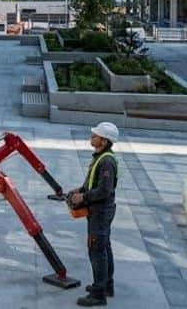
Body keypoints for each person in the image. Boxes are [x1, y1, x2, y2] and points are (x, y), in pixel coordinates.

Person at [68, 121, 120, 306]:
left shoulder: (106, 161)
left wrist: (83, 196)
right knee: (104, 247)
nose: (92, 137)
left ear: (104, 141)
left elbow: (104, 190)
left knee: (96, 250)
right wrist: (80, 190)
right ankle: (106, 285)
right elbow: (93, 183)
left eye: (95, 136)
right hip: (100, 211)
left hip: (100, 212)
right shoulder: (100, 157)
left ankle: (99, 294)